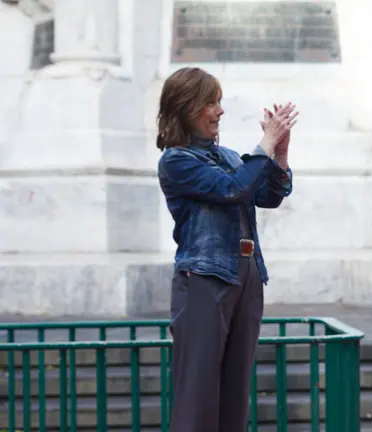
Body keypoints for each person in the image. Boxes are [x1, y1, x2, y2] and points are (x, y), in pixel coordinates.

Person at [156, 66, 298, 432]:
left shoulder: (231, 157)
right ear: (187, 107)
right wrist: (265, 145)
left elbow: (268, 195)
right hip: (206, 279)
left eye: (219, 102)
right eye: (211, 102)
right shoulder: (176, 161)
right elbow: (231, 189)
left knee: (235, 394)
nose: (220, 111)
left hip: (247, 276)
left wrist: (279, 153)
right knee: (198, 395)